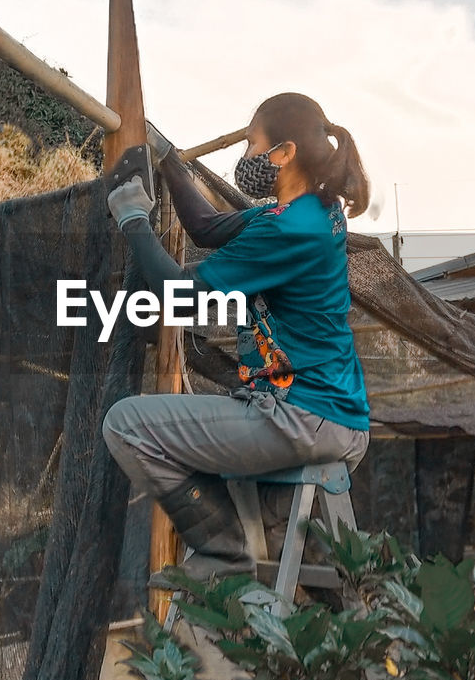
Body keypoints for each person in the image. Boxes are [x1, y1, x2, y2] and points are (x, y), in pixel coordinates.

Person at [101, 91, 371, 589]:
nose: (246, 157)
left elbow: (178, 296)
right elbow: (205, 227)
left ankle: (223, 551)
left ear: (285, 152)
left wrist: (134, 220)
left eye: (252, 144)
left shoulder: (292, 228)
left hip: (304, 416)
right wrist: (170, 161)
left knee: (125, 425)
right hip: (326, 413)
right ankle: (243, 546)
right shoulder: (308, 213)